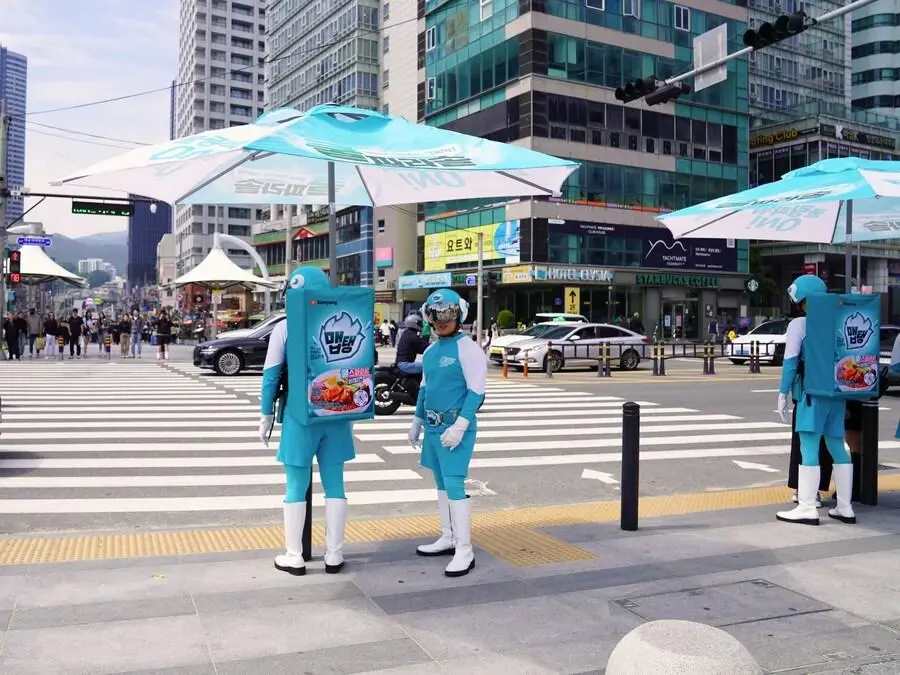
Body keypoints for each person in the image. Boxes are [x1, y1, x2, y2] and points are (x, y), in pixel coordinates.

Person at [258, 267, 356, 576]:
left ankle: (294, 555)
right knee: (335, 484)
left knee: (295, 485)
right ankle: (334, 555)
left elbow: (271, 375)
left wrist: (266, 414)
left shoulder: (284, 327)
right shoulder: (342, 319)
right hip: (337, 411)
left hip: (299, 415)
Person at [408, 288, 487, 578]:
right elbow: (425, 388)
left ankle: (464, 550)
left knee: (454, 484)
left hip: (456, 428)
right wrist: (417, 420)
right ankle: (448, 536)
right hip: (433, 427)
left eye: (448, 315)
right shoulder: (430, 352)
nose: (442, 321)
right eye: (436, 315)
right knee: (440, 483)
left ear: (459, 316)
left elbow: (476, 392)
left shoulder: (469, 349)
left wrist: (460, 426)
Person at [775, 274, 855, 526]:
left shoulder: (799, 325)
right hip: (838, 393)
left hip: (811, 394)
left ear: (804, 301)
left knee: (808, 447)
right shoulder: (840, 321)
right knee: (836, 446)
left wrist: (783, 393)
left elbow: (790, 362)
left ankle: (807, 506)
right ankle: (845, 507)